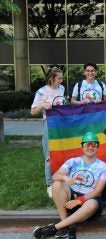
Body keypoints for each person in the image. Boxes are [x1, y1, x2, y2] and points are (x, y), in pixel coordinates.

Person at [32, 132, 106, 239]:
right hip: (71, 197)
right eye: (87, 144)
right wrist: (65, 178)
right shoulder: (73, 161)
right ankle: (65, 224)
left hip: (89, 198)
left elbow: (98, 191)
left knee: (92, 204)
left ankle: (55, 228)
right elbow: (55, 176)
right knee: (57, 184)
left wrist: (79, 201)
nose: (90, 147)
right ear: (82, 147)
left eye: (93, 144)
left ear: (97, 146)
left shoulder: (103, 166)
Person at [31, 67, 65, 197]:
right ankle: (50, 184)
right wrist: (42, 106)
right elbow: (33, 111)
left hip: (61, 124)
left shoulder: (61, 89)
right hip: (49, 124)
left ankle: (61, 178)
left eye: (61, 78)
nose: (61, 81)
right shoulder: (42, 92)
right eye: (59, 78)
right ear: (51, 78)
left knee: (61, 152)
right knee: (49, 155)